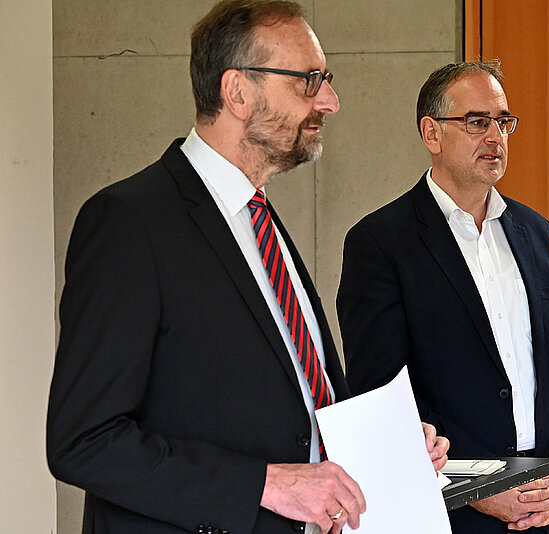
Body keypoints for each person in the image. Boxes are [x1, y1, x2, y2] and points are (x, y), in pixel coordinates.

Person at [46, 2, 448, 533]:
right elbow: (83, 441)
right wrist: (264, 485)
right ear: (236, 92)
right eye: (308, 81)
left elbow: (285, 403)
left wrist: (385, 448)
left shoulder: (261, 220)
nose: (329, 101)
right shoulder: (128, 223)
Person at [337, 61, 549, 533]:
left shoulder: (536, 233)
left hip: (548, 511)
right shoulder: (380, 243)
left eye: (503, 121)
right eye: (477, 122)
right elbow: (381, 398)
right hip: (451, 514)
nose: (495, 136)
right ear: (431, 133)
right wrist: (475, 488)